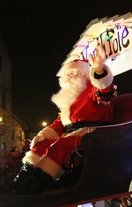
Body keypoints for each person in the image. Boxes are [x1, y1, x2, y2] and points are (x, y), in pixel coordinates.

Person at [11, 44, 117, 195]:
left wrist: (99, 70)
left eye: (75, 73)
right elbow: (60, 122)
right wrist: (43, 134)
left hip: (91, 135)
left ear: (84, 73)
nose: (70, 77)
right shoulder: (70, 98)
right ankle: (22, 182)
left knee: (58, 147)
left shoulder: (91, 90)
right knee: (40, 145)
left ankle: (35, 187)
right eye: (68, 74)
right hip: (73, 136)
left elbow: (104, 91)